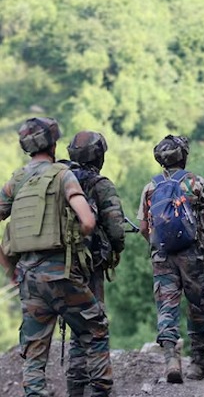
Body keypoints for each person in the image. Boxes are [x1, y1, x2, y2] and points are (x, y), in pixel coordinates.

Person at [0, 118, 112, 396]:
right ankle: (99, 392)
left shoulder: (17, 180)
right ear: (54, 142)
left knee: (34, 349)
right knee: (95, 329)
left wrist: (8, 269)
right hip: (61, 273)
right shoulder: (62, 174)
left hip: (27, 278)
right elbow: (87, 220)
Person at [137, 135, 204, 383]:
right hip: (192, 254)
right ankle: (197, 364)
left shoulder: (150, 187)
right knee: (198, 305)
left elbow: (143, 226)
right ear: (183, 156)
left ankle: (171, 359)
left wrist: (158, 242)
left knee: (167, 306)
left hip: (162, 256)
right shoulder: (194, 182)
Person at [63, 131, 126, 396]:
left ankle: (75, 389)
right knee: (94, 325)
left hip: (54, 266)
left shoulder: (57, 180)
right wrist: (115, 249)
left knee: (77, 327)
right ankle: (98, 389)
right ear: (98, 156)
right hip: (88, 268)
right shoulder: (100, 184)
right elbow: (116, 230)